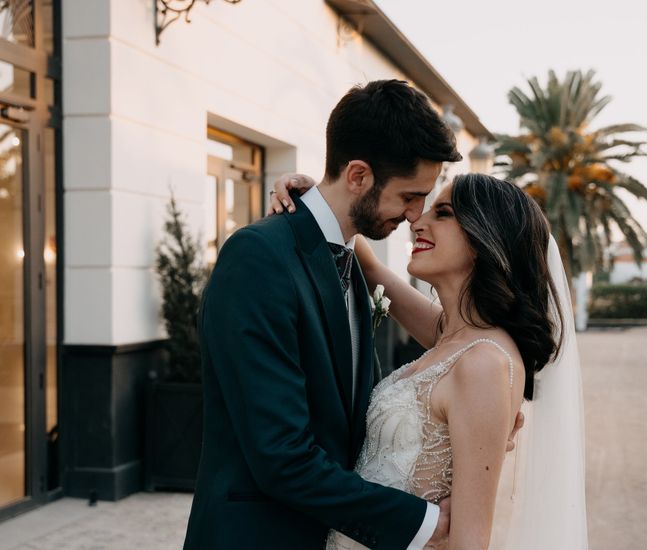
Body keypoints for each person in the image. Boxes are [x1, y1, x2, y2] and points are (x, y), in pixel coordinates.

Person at [182, 79, 525, 550]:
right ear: (359, 176)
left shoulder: (352, 264)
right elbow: (281, 455)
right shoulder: (259, 257)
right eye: (409, 196)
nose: (414, 216)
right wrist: (424, 523)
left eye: (428, 202)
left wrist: (475, 429)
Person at [269, 172, 589, 549]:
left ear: (485, 237)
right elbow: (372, 270)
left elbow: (469, 541)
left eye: (443, 212)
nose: (416, 221)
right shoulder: (452, 336)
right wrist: (319, 200)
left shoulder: (483, 362)